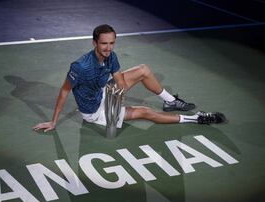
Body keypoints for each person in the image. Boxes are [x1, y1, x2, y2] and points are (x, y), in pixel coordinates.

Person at [33, 24, 225, 132]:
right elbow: (64, 91)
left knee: (143, 70)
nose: (108, 48)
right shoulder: (80, 66)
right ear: (94, 43)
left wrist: (119, 94)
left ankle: (170, 101)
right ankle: (196, 119)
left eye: (111, 43)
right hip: (95, 112)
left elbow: (119, 81)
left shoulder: (111, 56)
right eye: (103, 44)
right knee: (145, 112)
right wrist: (53, 121)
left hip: (104, 94)